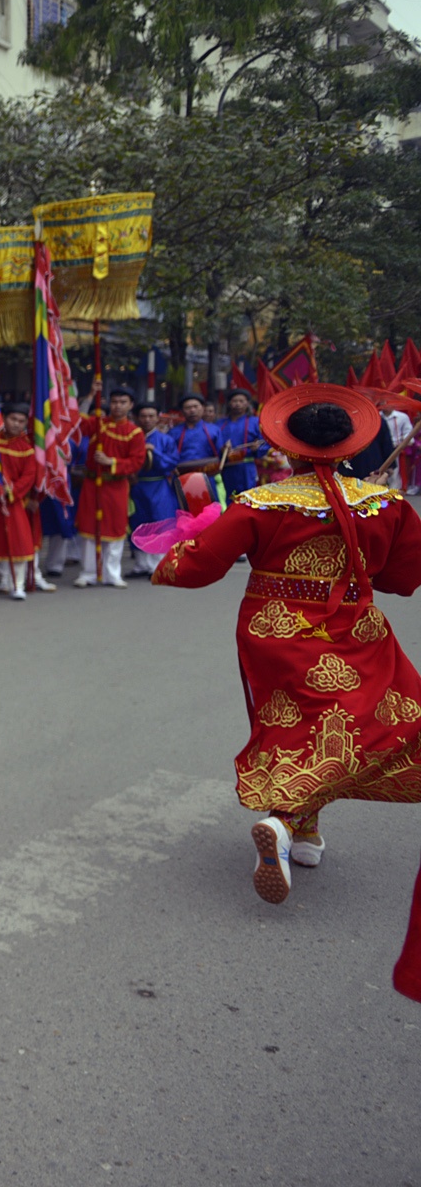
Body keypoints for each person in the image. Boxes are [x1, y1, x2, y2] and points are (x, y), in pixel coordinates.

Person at [151, 384, 421, 905]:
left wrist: (170, 561)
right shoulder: (382, 504)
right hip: (350, 627)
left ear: (290, 447)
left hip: (273, 628)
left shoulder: (260, 502)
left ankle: (299, 828)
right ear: (349, 445)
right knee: (367, 721)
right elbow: (403, 576)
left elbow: (200, 565)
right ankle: (289, 821)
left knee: (294, 722)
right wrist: (371, 511)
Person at [74, 389, 147, 588]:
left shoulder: (134, 432)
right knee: (89, 527)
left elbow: (136, 461)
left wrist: (111, 461)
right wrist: (90, 396)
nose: (117, 406)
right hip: (93, 484)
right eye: (114, 402)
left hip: (116, 486)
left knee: (115, 529)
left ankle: (111, 573)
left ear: (130, 405)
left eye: (123, 402)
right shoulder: (99, 423)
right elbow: (78, 423)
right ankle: (88, 572)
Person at [0, 410, 41, 602]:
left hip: (13, 502)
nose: (17, 424)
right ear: (3, 419)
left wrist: (11, 492)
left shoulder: (26, 448)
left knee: (18, 542)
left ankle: (16, 585)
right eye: (13, 419)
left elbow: (29, 476)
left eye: (21, 421)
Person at [130, 403, 181, 576]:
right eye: (143, 416)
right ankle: (141, 564)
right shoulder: (132, 436)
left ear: (157, 417)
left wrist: (155, 452)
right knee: (137, 523)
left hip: (158, 485)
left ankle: (158, 565)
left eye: (151, 416)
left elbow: (171, 463)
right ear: (137, 418)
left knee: (160, 523)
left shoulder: (165, 440)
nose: (147, 420)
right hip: (136, 485)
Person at [219, 389, 267, 497]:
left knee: (248, 497)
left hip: (246, 466)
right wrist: (222, 448)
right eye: (234, 401)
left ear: (247, 403)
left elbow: (264, 441)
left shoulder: (255, 421)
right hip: (227, 467)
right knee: (228, 497)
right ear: (229, 403)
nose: (237, 404)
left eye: (241, 401)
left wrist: (257, 448)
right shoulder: (220, 423)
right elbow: (215, 444)